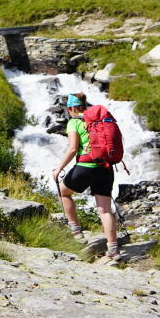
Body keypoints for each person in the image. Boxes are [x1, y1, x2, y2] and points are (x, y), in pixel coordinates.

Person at [53, 92, 124, 260]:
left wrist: (59, 168)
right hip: (105, 167)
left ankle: (76, 231)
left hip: (86, 166)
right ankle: (113, 249)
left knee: (64, 193)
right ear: (85, 106)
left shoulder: (74, 123)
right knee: (105, 210)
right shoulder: (98, 120)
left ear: (70, 108)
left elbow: (72, 149)